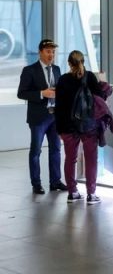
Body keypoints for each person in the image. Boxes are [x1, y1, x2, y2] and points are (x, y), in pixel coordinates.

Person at [17, 39, 68, 195]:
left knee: (56, 149)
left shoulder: (57, 69)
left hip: (54, 117)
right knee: (36, 151)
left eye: (53, 52)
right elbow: (21, 93)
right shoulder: (29, 70)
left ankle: (55, 181)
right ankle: (36, 184)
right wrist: (41, 93)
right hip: (38, 118)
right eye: (48, 51)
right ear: (40, 52)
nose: (51, 54)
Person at [55, 50, 104, 205]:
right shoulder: (90, 77)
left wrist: (59, 129)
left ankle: (73, 192)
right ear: (83, 61)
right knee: (91, 159)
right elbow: (100, 99)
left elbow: (59, 107)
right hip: (88, 125)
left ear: (69, 63)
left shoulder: (63, 80)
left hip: (67, 126)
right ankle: (91, 194)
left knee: (70, 159)